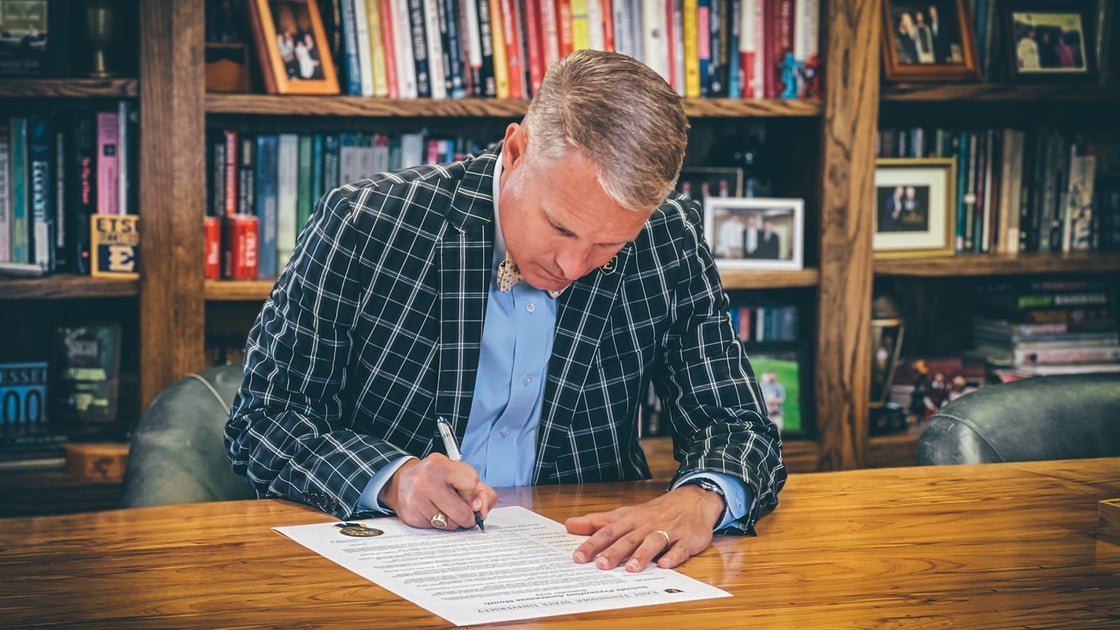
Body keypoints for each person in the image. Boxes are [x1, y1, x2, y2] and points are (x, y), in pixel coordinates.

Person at [225, 50, 785, 574]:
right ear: (514, 152)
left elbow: (736, 422)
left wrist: (702, 496)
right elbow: (265, 418)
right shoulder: (366, 222)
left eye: (606, 245)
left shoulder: (669, 239)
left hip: (587, 564)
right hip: (383, 557)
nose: (571, 265)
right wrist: (395, 479)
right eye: (560, 227)